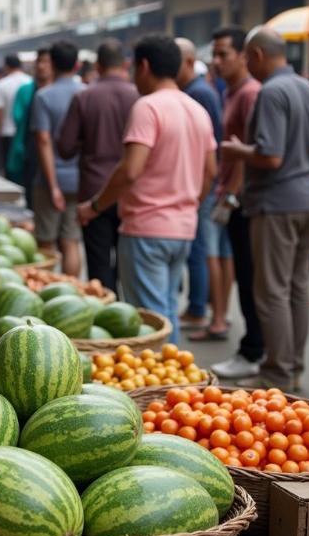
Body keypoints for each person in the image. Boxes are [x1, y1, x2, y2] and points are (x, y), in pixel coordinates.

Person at [78, 34, 217, 343]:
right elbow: (210, 171)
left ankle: (172, 385)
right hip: (182, 228)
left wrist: (95, 207)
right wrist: (188, 204)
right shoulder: (197, 110)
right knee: (166, 309)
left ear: (143, 66)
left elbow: (130, 170)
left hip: (146, 229)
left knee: (151, 321)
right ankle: (181, 384)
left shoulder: (148, 107)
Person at [221, 27, 309, 390]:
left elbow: (270, 155)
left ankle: (277, 371)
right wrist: (306, 184)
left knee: (271, 291)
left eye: (247, 57)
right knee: (297, 285)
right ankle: (292, 365)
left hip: (277, 203)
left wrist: (237, 150)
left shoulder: (272, 92)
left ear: (256, 55)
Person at [58, 39, 139, 290]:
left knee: (99, 263)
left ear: (98, 66)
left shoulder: (84, 97)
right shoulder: (138, 96)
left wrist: (87, 140)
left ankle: (107, 312)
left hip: (93, 189)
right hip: (130, 190)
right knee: (132, 264)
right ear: (125, 64)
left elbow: (65, 148)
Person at [209, 26, 264, 379]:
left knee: (249, 277)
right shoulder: (230, 91)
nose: (216, 61)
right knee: (243, 273)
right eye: (214, 54)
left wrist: (231, 196)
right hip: (232, 197)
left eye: (223, 54)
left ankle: (254, 350)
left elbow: (249, 152)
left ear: (244, 56)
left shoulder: (250, 94)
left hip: (243, 202)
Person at [175, 38, 225, 335]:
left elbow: (210, 151)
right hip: (198, 185)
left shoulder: (200, 94)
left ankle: (198, 310)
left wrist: (200, 194)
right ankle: (197, 308)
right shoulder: (193, 92)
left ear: (190, 63)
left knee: (201, 251)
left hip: (202, 187)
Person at [31, 40, 85, 276]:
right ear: (77, 64)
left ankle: (48, 294)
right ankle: (71, 295)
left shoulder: (44, 96)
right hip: (80, 180)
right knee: (71, 241)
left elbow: (44, 141)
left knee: (46, 244)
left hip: (50, 180)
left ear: (51, 63)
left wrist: (53, 186)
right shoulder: (86, 93)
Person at [8, 47, 52, 200]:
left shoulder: (58, 92)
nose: (41, 66)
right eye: (39, 61)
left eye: (46, 61)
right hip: (29, 153)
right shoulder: (25, 90)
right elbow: (17, 118)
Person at [0, 54, 31, 177]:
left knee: (9, 170)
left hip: (7, 132)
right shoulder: (30, 82)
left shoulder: (2, 84)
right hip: (26, 133)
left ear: (6, 66)